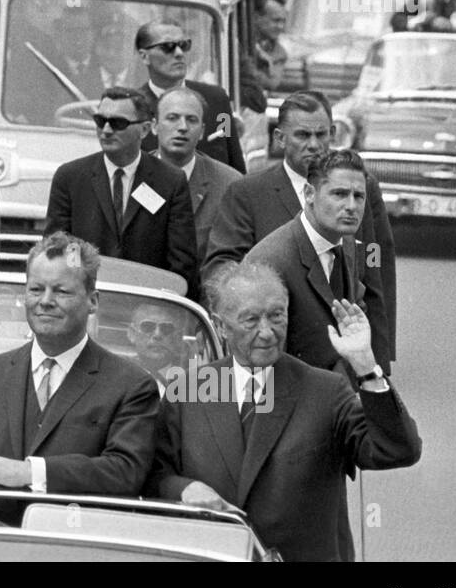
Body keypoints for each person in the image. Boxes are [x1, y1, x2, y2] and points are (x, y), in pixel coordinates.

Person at [145, 261, 421, 561]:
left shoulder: (326, 391)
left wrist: (367, 367)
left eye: (276, 316)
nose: (267, 332)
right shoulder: (188, 390)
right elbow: (155, 472)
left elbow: (397, 451)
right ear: (221, 326)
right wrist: (185, 490)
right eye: (251, 320)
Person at [0, 233, 159, 507]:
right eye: (36, 289)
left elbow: (126, 472)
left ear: (93, 301)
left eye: (61, 291)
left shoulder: (132, 385)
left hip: (79, 543)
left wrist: (30, 472)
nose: (45, 301)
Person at [203, 90, 398, 362]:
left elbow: (376, 263)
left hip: (345, 354)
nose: (315, 144)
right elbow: (222, 265)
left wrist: (378, 353)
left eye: (322, 134)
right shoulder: (248, 192)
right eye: (303, 135)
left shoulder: (360, 186)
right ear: (280, 138)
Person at [244, 150, 392, 377]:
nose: (351, 206)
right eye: (340, 194)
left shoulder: (348, 244)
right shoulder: (269, 261)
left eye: (358, 196)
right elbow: (259, 360)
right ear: (309, 194)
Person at [45, 87, 200, 299]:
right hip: (84, 302)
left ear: (145, 130)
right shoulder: (70, 178)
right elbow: (57, 249)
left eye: (118, 123)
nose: (107, 130)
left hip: (147, 306)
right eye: (101, 121)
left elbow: (182, 261)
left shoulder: (170, 181)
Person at [135, 20, 246, 173]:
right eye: (168, 47)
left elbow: (233, 160)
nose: (179, 53)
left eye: (184, 45)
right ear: (144, 56)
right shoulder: (133, 107)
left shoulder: (216, 100)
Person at [153, 87, 242, 266]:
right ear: (154, 126)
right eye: (172, 118)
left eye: (191, 120)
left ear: (202, 131)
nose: (182, 127)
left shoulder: (229, 184)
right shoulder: (133, 176)